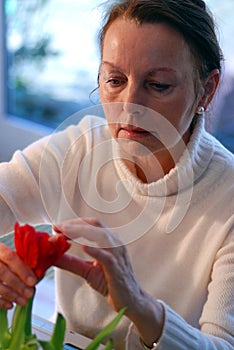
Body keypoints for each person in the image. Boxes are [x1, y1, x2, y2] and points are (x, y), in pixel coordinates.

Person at [0, 0, 233, 349]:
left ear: (207, 89)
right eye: (115, 80)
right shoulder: (78, 148)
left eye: (158, 85)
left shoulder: (227, 199)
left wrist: (139, 306)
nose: (129, 105)